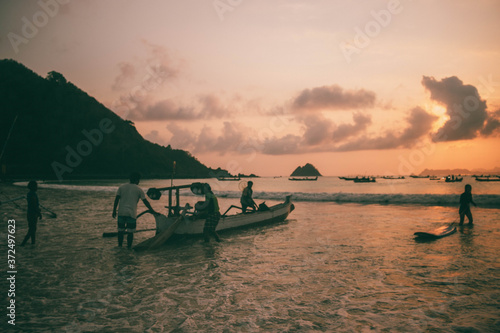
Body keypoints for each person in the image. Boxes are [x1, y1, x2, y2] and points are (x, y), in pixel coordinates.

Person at [112, 172, 157, 248]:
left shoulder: (121, 187)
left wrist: (114, 211)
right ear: (137, 180)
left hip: (121, 212)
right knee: (130, 232)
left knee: (120, 231)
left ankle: (120, 246)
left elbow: (116, 199)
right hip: (131, 213)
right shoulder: (139, 189)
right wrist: (152, 211)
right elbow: (145, 202)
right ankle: (129, 248)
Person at [21, 181, 42, 246]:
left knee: (33, 229)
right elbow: (34, 205)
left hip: (31, 213)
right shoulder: (32, 194)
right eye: (36, 186)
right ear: (33, 187)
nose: (37, 187)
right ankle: (23, 243)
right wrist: (39, 213)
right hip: (33, 214)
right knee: (32, 229)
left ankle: (33, 243)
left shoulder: (30, 194)